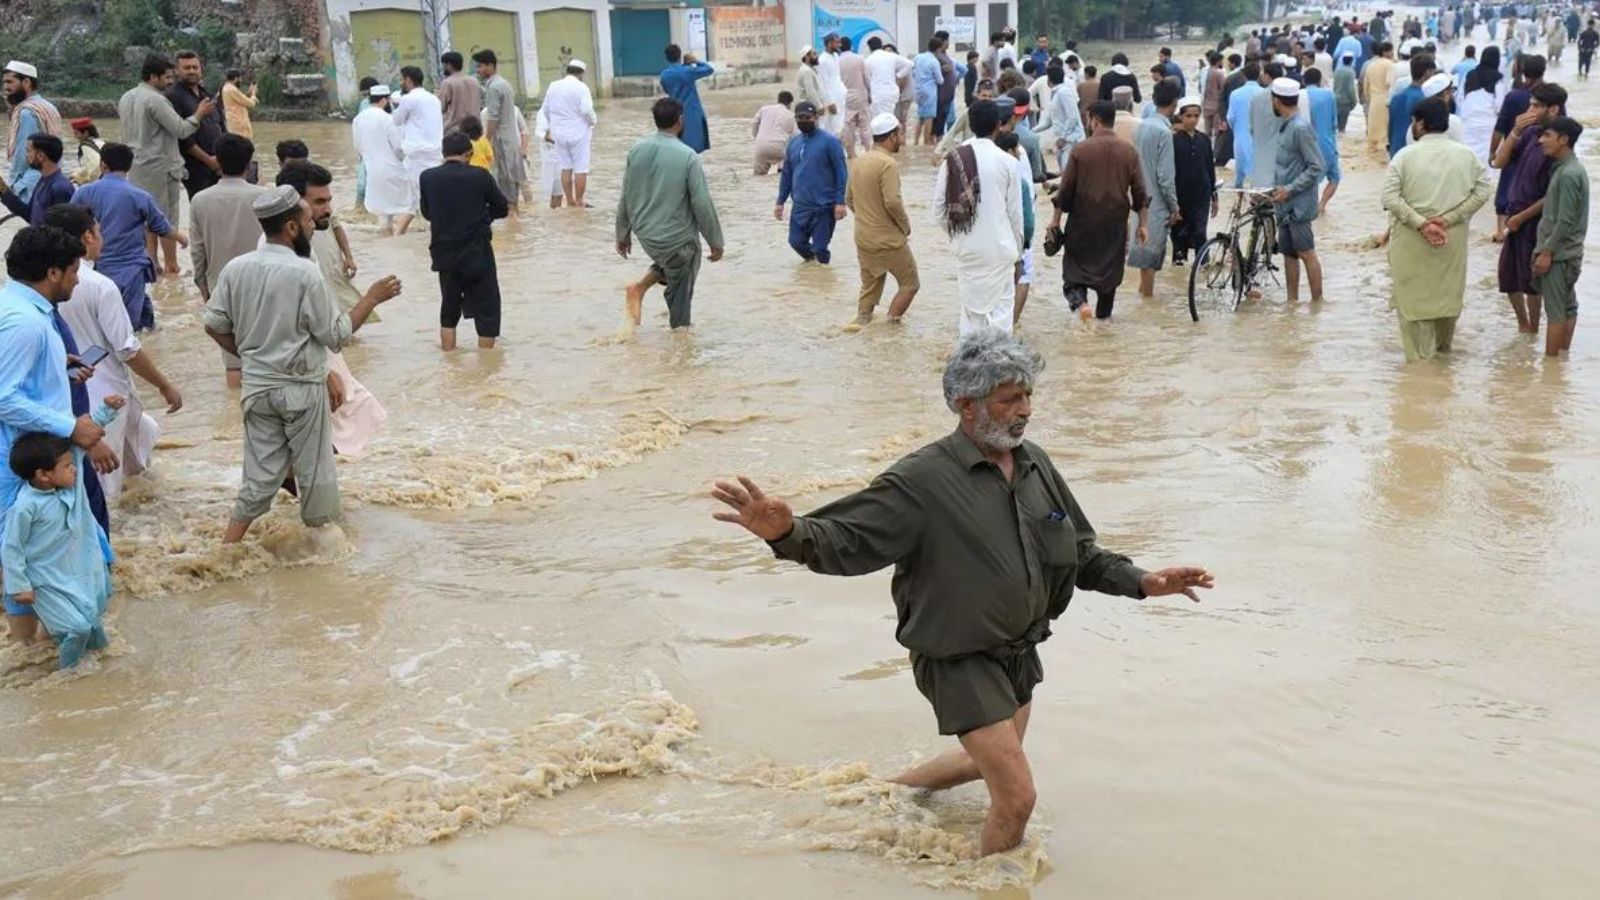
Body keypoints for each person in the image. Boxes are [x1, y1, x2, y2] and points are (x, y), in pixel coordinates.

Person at [710, 329, 1211, 858]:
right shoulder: (921, 480)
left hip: (1017, 655)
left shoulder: (1034, 463)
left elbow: (1079, 552)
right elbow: (847, 542)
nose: (1025, 410)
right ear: (966, 406)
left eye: (1028, 396)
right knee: (1017, 797)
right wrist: (787, 534)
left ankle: (884, 794)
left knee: (985, 760)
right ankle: (989, 884)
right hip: (957, 658)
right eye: (1009, 399)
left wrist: (1145, 581)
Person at [202, 186, 401, 543]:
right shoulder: (304, 273)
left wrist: (250, 356)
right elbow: (336, 334)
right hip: (301, 391)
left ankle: (227, 548)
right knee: (315, 474)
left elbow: (213, 324)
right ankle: (326, 559)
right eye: (309, 220)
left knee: (260, 474)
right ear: (291, 227)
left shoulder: (236, 268)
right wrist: (371, 298)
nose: (313, 227)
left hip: (258, 388)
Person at [0, 225, 116, 646]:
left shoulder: (20, 309)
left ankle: (40, 646)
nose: (78, 279)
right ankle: (28, 650)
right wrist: (72, 426)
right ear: (52, 273)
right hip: (20, 461)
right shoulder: (25, 325)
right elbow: (2, 397)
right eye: (73, 270)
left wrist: (55, 363)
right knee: (30, 553)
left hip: (31, 453)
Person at [45, 203, 180, 499]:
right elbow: (127, 349)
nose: (102, 236)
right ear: (88, 237)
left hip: (72, 395)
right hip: (107, 398)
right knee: (107, 484)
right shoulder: (100, 286)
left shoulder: (42, 283)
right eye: (99, 230)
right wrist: (165, 385)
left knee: (137, 460)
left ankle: (146, 515)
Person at [273, 162, 390, 456]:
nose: (327, 209)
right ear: (295, 207)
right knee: (331, 435)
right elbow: (326, 332)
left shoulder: (283, 249)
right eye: (319, 202)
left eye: (329, 200)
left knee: (337, 428)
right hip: (308, 368)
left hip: (303, 366)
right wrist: (371, 299)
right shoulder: (294, 262)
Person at [3, 412, 121, 669]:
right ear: (44, 475)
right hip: (45, 581)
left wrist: (106, 410)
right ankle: (66, 677)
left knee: (95, 628)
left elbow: (82, 441)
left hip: (72, 572)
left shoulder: (69, 487)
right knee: (77, 629)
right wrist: (19, 585)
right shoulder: (24, 507)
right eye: (67, 466)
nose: (75, 468)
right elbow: (11, 548)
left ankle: (96, 675)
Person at [1381, 98, 1493, 362]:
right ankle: (1442, 372)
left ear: (1420, 124)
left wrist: (1421, 223)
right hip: (1450, 242)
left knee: (1414, 309)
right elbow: (1483, 191)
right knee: (1446, 303)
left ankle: (1420, 375)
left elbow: (1389, 198)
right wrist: (1449, 218)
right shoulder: (1465, 155)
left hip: (1411, 244)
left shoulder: (1405, 156)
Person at [616, 98, 725, 329]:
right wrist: (715, 241)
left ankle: (640, 288)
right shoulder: (688, 156)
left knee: (674, 260)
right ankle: (680, 337)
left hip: (646, 236)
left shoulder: (636, 150)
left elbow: (625, 193)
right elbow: (702, 203)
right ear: (680, 121)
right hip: (675, 241)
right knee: (686, 260)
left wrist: (622, 234)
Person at [69, 142, 185, 330]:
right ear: (129, 167)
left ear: (103, 165)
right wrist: (182, 238)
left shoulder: (84, 192)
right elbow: (161, 226)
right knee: (129, 325)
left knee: (124, 316)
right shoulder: (139, 195)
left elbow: (68, 221)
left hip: (100, 267)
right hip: (132, 269)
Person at [1048, 101, 1146, 321]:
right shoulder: (1129, 151)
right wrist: (1143, 225)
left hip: (1082, 224)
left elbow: (1065, 190)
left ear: (1094, 120)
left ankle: (1081, 305)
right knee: (1108, 281)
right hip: (1115, 226)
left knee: (1074, 276)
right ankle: (1103, 321)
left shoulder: (1081, 150)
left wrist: (1055, 221)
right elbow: (1140, 191)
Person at [118, 54, 213, 277]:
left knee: (147, 216)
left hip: (137, 166)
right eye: (167, 77)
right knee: (166, 218)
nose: (171, 82)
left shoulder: (127, 97)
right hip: (160, 166)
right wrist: (199, 115)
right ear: (153, 77)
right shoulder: (156, 100)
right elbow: (181, 129)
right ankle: (172, 266)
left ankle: (152, 264)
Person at [935, 100, 1023, 335]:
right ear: (998, 126)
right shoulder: (1008, 163)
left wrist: (961, 233)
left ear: (970, 125)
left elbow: (939, 210)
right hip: (1001, 250)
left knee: (971, 314)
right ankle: (999, 366)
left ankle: (969, 364)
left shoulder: (953, 158)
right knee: (1001, 317)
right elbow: (1015, 216)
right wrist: (1019, 256)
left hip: (968, 250)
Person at [419, 132, 509, 350]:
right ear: (469, 153)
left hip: (444, 254)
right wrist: (483, 218)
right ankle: (486, 364)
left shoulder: (427, 177)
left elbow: (426, 212)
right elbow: (502, 208)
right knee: (487, 310)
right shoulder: (480, 176)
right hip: (477, 253)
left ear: (443, 153)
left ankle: (449, 359)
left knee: (448, 310)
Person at [189, 133, 266, 387]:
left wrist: (204, 289)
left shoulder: (200, 200)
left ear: (217, 162)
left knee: (234, 361)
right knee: (266, 353)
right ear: (249, 164)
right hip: (264, 283)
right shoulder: (264, 197)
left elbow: (198, 252)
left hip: (221, 286)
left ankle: (233, 421)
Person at [1494, 83, 1566, 334]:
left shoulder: (1560, 141)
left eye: (1536, 105)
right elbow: (1499, 161)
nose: (1530, 109)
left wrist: (1521, 218)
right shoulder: (1529, 133)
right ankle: (1523, 325)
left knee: (1531, 281)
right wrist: (1514, 130)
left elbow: (1553, 194)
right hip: (1516, 215)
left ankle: (1533, 328)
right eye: (1530, 104)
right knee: (1508, 276)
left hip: (1536, 220)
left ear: (1554, 109)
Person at [846, 114, 918, 327]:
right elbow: (893, 202)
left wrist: (867, 218)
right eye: (901, 134)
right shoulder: (888, 164)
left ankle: (862, 322)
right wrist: (905, 227)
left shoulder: (859, 161)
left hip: (863, 237)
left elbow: (849, 199)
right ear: (892, 136)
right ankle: (890, 327)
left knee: (870, 285)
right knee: (909, 284)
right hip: (888, 239)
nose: (903, 139)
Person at [1268, 79, 1326, 303]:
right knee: (1289, 254)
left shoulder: (1300, 128)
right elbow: (1285, 166)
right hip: (1283, 203)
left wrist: (1290, 190)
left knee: (1306, 252)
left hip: (1298, 205)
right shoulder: (1286, 126)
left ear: (1276, 101)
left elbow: (1317, 167)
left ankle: (1316, 302)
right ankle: (1292, 302)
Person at [1532, 116, 1586, 357]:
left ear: (1563, 140)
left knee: (1555, 312)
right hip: (1568, 252)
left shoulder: (1568, 175)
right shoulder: (1569, 169)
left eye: (1547, 136)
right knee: (1567, 307)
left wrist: (1547, 252)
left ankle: (1551, 368)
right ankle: (1561, 360)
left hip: (1559, 255)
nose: (1541, 140)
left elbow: (1564, 221)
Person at [775, 102, 848, 265]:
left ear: (816, 117)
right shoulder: (793, 143)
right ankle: (813, 271)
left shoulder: (831, 142)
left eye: (807, 118)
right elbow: (786, 174)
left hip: (824, 207)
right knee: (795, 242)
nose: (803, 121)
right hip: (800, 207)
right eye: (799, 118)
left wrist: (840, 202)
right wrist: (780, 201)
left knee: (820, 248)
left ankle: (823, 280)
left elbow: (841, 173)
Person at [1128, 82, 1180, 298]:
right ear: (1175, 103)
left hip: (1139, 199)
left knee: (1144, 257)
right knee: (1150, 259)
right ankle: (1146, 303)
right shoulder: (1164, 132)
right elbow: (1166, 178)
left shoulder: (1141, 126)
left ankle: (1143, 297)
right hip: (1157, 203)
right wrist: (1175, 207)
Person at [1491, 54, 1546, 242]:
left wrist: (1493, 151)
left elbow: (1499, 129)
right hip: (1540, 155)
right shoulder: (1552, 98)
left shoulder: (1513, 97)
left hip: (1512, 152)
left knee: (1506, 192)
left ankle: (1501, 233)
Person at [166, 50, 227, 201]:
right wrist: (209, 161)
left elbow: (220, 125)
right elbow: (182, 138)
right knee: (202, 209)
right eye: (186, 68)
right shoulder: (173, 96)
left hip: (219, 163)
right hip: (195, 167)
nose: (192, 71)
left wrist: (224, 158)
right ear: (176, 71)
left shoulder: (207, 94)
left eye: (195, 67)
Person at [352, 85, 411, 235]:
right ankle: (395, 239)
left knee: (382, 213)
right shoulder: (387, 119)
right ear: (384, 100)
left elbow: (357, 147)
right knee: (408, 205)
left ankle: (386, 239)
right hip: (391, 169)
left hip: (370, 169)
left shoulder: (358, 119)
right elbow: (398, 147)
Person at [471, 50, 525, 213]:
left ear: (491, 66)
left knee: (505, 179)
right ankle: (514, 216)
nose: (478, 71)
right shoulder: (503, 84)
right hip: (511, 139)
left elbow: (493, 117)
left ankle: (512, 218)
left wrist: (486, 140)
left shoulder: (494, 87)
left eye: (480, 67)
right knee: (511, 180)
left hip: (502, 140)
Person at [3, 61, 62, 207]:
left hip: (30, 185)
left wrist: (13, 186)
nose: (5, 87)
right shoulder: (48, 106)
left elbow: (23, 154)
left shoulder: (26, 112)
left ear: (26, 82)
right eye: (4, 82)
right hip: (51, 177)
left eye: (10, 82)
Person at [393, 66, 444, 224]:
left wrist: (395, 104)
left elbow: (397, 120)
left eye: (402, 79)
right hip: (435, 153)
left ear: (408, 80)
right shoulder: (434, 98)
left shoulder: (409, 99)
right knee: (434, 193)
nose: (401, 82)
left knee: (414, 198)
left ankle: (402, 233)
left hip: (417, 155)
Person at [542, 60, 598, 208]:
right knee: (581, 167)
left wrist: (553, 126)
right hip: (578, 133)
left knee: (565, 166)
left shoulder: (553, 86)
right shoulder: (581, 87)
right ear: (581, 73)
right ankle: (579, 201)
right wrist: (593, 121)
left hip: (559, 134)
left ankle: (569, 200)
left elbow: (546, 110)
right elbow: (586, 110)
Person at [1171, 97, 1218, 266]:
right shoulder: (1173, 141)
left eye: (1196, 116)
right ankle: (1178, 273)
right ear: (1181, 117)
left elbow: (1210, 169)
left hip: (1201, 196)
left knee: (1200, 233)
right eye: (1189, 116)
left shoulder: (1204, 140)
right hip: (1180, 196)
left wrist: (1214, 197)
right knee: (1179, 235)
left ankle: (1202, 270)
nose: (1193, 119)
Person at [0, 134, 74, 225]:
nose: (26, 156)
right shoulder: (43, 180)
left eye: (28, 151)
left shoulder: (61, 188)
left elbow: (63, 230)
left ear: (40, 156)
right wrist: (3, 189)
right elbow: (29, 214)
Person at [660, 44, 715, 154]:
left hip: (674, 114)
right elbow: (709, 69)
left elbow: (667, 91)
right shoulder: (688, 71)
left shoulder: (664, 75)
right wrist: (695, 61)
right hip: (692, 114)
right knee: (693, 150)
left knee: (678, 149)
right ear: (679, 56)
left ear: (666, 57)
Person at [1302, 69, 1342, 213]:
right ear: (1319, 80)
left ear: (1304, 81)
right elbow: (1334, 123)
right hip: (1328, 144)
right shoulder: (1329, 95)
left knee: (1309, 181)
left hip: (1307, 145)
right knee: (1335, 177)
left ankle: (1310, 207)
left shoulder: (1301, 96)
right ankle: (1322, 204)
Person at [1388, 54, 1435, 157]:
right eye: (1433, 73)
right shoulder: (1425, 99)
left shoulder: (1396, 98)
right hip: (1413, 154)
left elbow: (1390, 129)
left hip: (1395, 152)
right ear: (1427, 73)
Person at [865, 37, 912, 123]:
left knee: (879, 120)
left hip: (878, 93)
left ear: (870, 48)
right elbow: (909, 64)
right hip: (892, 92)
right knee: (890, 117)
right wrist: (898, 76)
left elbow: (867, 79)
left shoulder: (868, 60)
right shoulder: (891, 56)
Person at [1049, 64, 1085, 173]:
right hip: (1063, 140)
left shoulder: (1063, 92)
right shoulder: (1056, 93)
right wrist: (1032, 132)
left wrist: (1063, 138)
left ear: (1049, 79)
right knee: (1064, 172)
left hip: (1071, 140)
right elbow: (1048, 121)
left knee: (1068, 172)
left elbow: (1072, 117)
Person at [436, 51, 482, 134]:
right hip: (475, 130)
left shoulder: (448, 83)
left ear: (449, 65)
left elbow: (439, 107)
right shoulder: (474, 82)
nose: (443, 67)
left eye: (444, 64)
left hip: (455, 131)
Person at [751, 91, 796, 175]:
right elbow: (794, 136)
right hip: (780, 148)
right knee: (783, 173)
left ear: (778, 100)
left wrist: (756, 137)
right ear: (790, 104)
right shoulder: (791, 115)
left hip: (761, 147)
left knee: (759, 176)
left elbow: (755, 123)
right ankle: (780, 170)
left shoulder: (764, 109)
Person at [1363, 43, 1396, 153]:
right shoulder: (1389, 64)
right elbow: (1389, 83)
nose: (1393, 53)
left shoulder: (1370, 65)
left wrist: (1368, 100)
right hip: (1385, 100)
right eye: (1391, 51)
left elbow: (1365, 87)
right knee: (1384, 132)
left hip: (1374, 101)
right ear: (1385, 52)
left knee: (1373, 133)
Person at [913, 39, 945, 146]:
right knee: (929, 118)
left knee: (920, 117)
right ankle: (926, 142)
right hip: (929, 92)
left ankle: (916, 141)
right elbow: (940, 80)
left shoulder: (918, 57)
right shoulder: (934, 61)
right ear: (938, 49)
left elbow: (913, 72)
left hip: (918, 90)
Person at [221, 68, 258, 140]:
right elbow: (251, 104)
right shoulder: (232, 89)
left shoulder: (227, 87)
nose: (241, 80)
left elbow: (240, 100)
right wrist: (253, 94)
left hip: (233, 124)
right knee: (243, 147)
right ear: (236, 78)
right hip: (238, 125)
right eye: (240, 78)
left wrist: (249, 93)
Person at [68, 118, 103, 187]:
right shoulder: (100, 142)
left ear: (86, 133)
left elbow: (95, 170)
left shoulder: (86, 146)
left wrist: (81, 180)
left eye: (76, 133)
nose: (75, 137)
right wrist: (78, 174)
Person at [796, 45, 829, 115]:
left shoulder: (811, 69)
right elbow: (810, 91)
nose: (817, 57)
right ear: (806, 57)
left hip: (813, 107)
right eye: (814, 54)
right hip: (810, 108)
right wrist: (819, 106)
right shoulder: (806, 71)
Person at [1333, 53, 1359, 132]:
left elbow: (1334, 85)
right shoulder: (1351, 72)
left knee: (1336, 124)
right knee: (1342, 127)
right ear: (1351, 61)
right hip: (1345, 100)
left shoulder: (1337, 70)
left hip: (1336, 98)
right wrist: (1354, 100)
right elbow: (1350, 88)